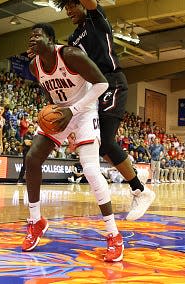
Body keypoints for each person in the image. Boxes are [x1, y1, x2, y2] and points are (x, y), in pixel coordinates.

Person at [38, 0, 154, 221]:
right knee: (99, 143)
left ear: (82, 3)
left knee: (106, 142)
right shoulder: (73, 39)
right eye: (65, 8)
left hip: (111, 82)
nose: (68, 11)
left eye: (71, 5)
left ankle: (140, 191)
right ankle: (134, 189)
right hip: (92, 89)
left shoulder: (96, 20)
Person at [22, 23, 123, 262]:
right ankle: (36, 222)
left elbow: (102, 84)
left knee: (90, 170)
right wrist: (55, 115)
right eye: (30, 37)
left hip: (85, 112)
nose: (32, 40)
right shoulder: (33, 65)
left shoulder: (70, 54)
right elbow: (49, 90)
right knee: (32, 159)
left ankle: (114, 235)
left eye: (37, 36)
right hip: (61, 113)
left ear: (50, 39)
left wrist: (73, 111)